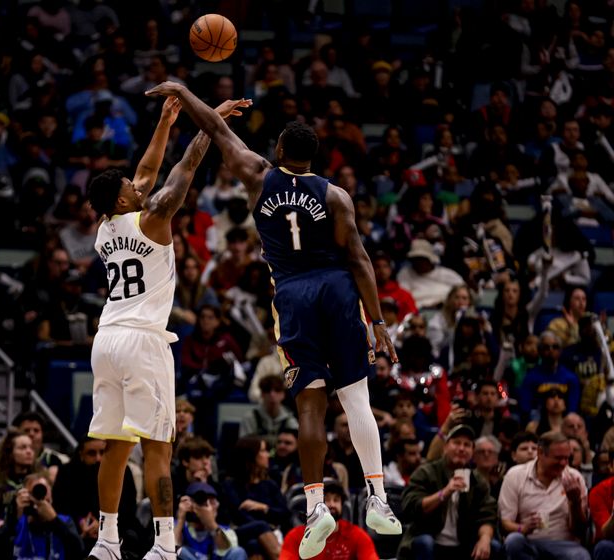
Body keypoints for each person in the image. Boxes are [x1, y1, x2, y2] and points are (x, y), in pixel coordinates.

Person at [146, 80, 402, 560]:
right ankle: (379, 499)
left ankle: (313, 507)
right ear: (315, 157)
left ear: (280, 149)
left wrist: (183, 89)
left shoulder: (258, 174)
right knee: (357, 398)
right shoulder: (337, 197)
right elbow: (361, 259)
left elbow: (215, 129)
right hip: (339, 289)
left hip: (293, 293)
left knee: (311, 406)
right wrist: (380, 321)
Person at [85, 97, 249, 560]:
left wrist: (164, 121)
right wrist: (209, 121)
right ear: (123, 199)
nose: (139, 186)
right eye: (130, 188)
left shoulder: (106, 225)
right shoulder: (154, 218)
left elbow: (144, 171)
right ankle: (163, 544)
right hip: (143, 341)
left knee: (114, 446)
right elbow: (185, 166)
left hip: (107, 338)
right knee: (159, 445)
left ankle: (107, 540)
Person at [398, 424, 499, 560]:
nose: (462, 448)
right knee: (424, 543)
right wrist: (445, 492)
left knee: (494, 546)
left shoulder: (477, 481)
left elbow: (487, 515)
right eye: (456, 443)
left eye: (467, 445)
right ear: (445, 447)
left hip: (463, 545)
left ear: (472, 452)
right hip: (431, 540)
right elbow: (411, 507)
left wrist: (485, 539)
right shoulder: (426, 472)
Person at [498, 431, 590, 560]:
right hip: (528, 542)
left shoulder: (574, 478)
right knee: (513, 541)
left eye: (567, 458)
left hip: (564, 545)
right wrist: (522, 528)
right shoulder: (515, 476)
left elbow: (580, 531)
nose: (563, 463)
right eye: (558, 458)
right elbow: (505, 523)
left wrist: (575, 502)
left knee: (580, 556)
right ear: (540, 453)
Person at [0, 472, 85, 560]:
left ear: (51, 497)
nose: (40, 499)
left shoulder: (64, 521)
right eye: (34, 493)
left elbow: (79, 550)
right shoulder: (15, 523)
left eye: (43, 492)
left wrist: (54, 521)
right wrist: (12, 520)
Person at [281, 481, 379, 560]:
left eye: (336, 500)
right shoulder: (295, 536)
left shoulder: (356, 534)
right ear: (316, 505)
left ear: (342, 505)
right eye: (327, 500)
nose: (332, 504)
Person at [175, 482, 248, 560]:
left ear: (217, 506)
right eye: (201, 501)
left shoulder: (227, 531)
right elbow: (169, 551)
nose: (207, 506)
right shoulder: (177, 526)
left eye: (211, 502)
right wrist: (180, 519)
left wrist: (211, 524)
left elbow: (226, 551)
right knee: (179, 550)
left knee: (238, 551)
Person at [238, 375, 298, 447]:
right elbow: (243, 444)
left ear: (283, 394)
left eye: (277, 390)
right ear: (262, 394)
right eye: (267, 390)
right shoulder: (251, 417)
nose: (272, 394)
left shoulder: (289, 417)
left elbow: (296, 442)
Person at [14, 410, 69, 482]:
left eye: (36, 430)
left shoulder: (62, 460)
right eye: (26, 430)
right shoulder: (5, 461)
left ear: (43, 434)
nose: (31, 434)